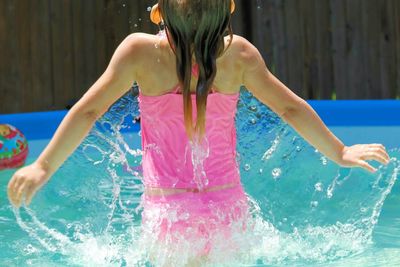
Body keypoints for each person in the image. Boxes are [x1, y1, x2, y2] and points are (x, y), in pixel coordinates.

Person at [7, 0, 390, 265]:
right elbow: (290, 108)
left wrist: (43, 166)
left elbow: (88, 111)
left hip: (169, 219)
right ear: (230, 11)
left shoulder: (139, 53)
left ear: (158, 13)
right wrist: (340, 152)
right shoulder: (239, 56)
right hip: (229, 214)